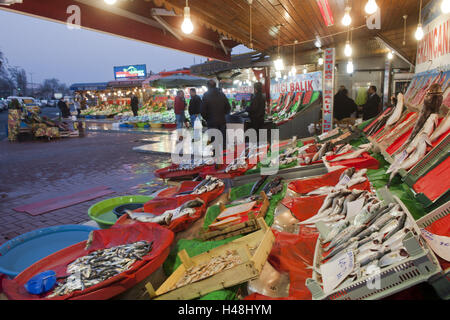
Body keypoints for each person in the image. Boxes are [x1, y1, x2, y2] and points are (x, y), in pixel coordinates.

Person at [201, 80, 231, 149]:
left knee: (214, 142)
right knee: (223, 141)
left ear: (208, 86)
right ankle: (224, 156)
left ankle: (215, 157)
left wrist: (207, 118)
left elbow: (202, 111)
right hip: (222, 121)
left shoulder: (206, 95)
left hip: (211, 122)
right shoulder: (222, 94)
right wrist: (223, 115)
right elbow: (228, 108)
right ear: (215, 85)